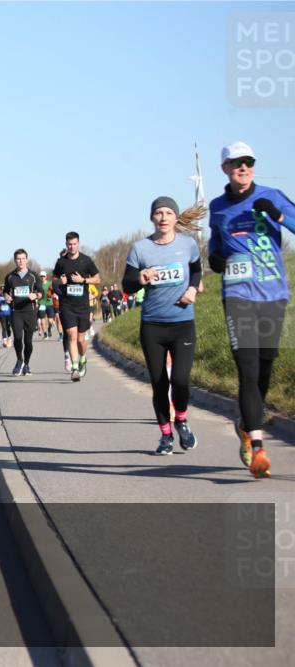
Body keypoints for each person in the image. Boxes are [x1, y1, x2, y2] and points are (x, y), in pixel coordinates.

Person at [208, 141, 295, 478]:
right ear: (225, 169)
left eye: (248, 162)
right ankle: (258, 448)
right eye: (236, 163)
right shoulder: (217, 207)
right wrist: (215, 257)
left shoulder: (272, 196)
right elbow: (215, 243)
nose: (243, 167)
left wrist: (278, 216)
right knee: (247, 369)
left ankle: (246, 423)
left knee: (264, 370)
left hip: (273, 295)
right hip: (238, 295)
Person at [122, 196, 205, 455]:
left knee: (180, 380)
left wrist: (192, 289)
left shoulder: (188, 244)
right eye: (159, 213)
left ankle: (181, 419)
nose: (163, 217)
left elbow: (196, 271)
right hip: (153, 326)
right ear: (152, 218)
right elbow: (126, 284)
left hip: (182, 323)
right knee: (159, 383)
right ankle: (166, 436)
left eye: (169, 212)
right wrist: (140, 278)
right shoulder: (140, 249)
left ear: (176, 217)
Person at [53, 233, 101, 381]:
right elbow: (54, 278)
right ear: (66, 244)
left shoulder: (86, 260)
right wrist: (60, 282)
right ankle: (74, 367)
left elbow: (97, 279)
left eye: (74, 244)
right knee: (71, 335)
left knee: (80, 339)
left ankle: (82, 358)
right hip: (67, 305)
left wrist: (83, 280)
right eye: (69, 244)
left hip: (83, 306)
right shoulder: (61, 262)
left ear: (78, 243)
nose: (72, 247)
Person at [3, 249, 43, 376]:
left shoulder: (34, 276)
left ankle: (26, 364)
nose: (20, 261)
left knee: (28, 341)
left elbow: (41, 293)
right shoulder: (10, 277)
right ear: (15, 260)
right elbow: (6, 291)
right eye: (18, 259)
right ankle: (19, 360)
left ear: (27, 260)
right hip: (16, 311)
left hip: (30, 311)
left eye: (23, 258)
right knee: (17, 338)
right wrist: (6, 296)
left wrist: (35, 295)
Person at [37, 270, 53, 337]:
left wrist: (53, 295)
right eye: (41, 276)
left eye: (43, 276)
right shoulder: (38, 284)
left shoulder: (50, 283)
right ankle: (45, 333)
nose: (42, 277)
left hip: (49, 303)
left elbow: (54, 290)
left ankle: (49, 329)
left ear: (46, 276)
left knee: (50, 321)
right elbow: (36, 293)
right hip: (41, 303)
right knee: (42, 319)